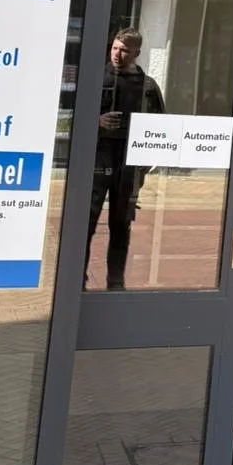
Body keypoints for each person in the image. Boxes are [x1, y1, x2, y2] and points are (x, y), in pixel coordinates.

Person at [86, 27, 165, 290]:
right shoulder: (96, 78)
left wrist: (146, 163)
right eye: (115, 48)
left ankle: (116, 282)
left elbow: (160, 127)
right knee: (87, 220)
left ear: (137, 53)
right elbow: (70, 117)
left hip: (129, 163)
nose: (118, 54)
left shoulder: (148, 87)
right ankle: (77, 279)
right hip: (98, 157)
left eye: (124, 50)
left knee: (121, 225)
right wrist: (96, 121)